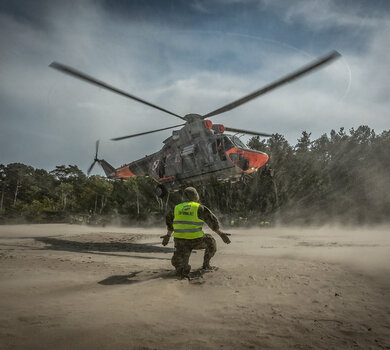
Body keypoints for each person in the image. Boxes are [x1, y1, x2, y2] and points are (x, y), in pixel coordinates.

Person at [161, 187, 231, 278]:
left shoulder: (176, 208)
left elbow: (170, 223)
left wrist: (168, 236)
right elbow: (212, 222)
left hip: (181, 242)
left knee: (178, 264)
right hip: (196, 241)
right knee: (211, 241)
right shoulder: (199, 208)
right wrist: (221, 234)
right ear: (195, 196)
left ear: (183, 197)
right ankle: (206, 265)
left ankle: (182, 267)